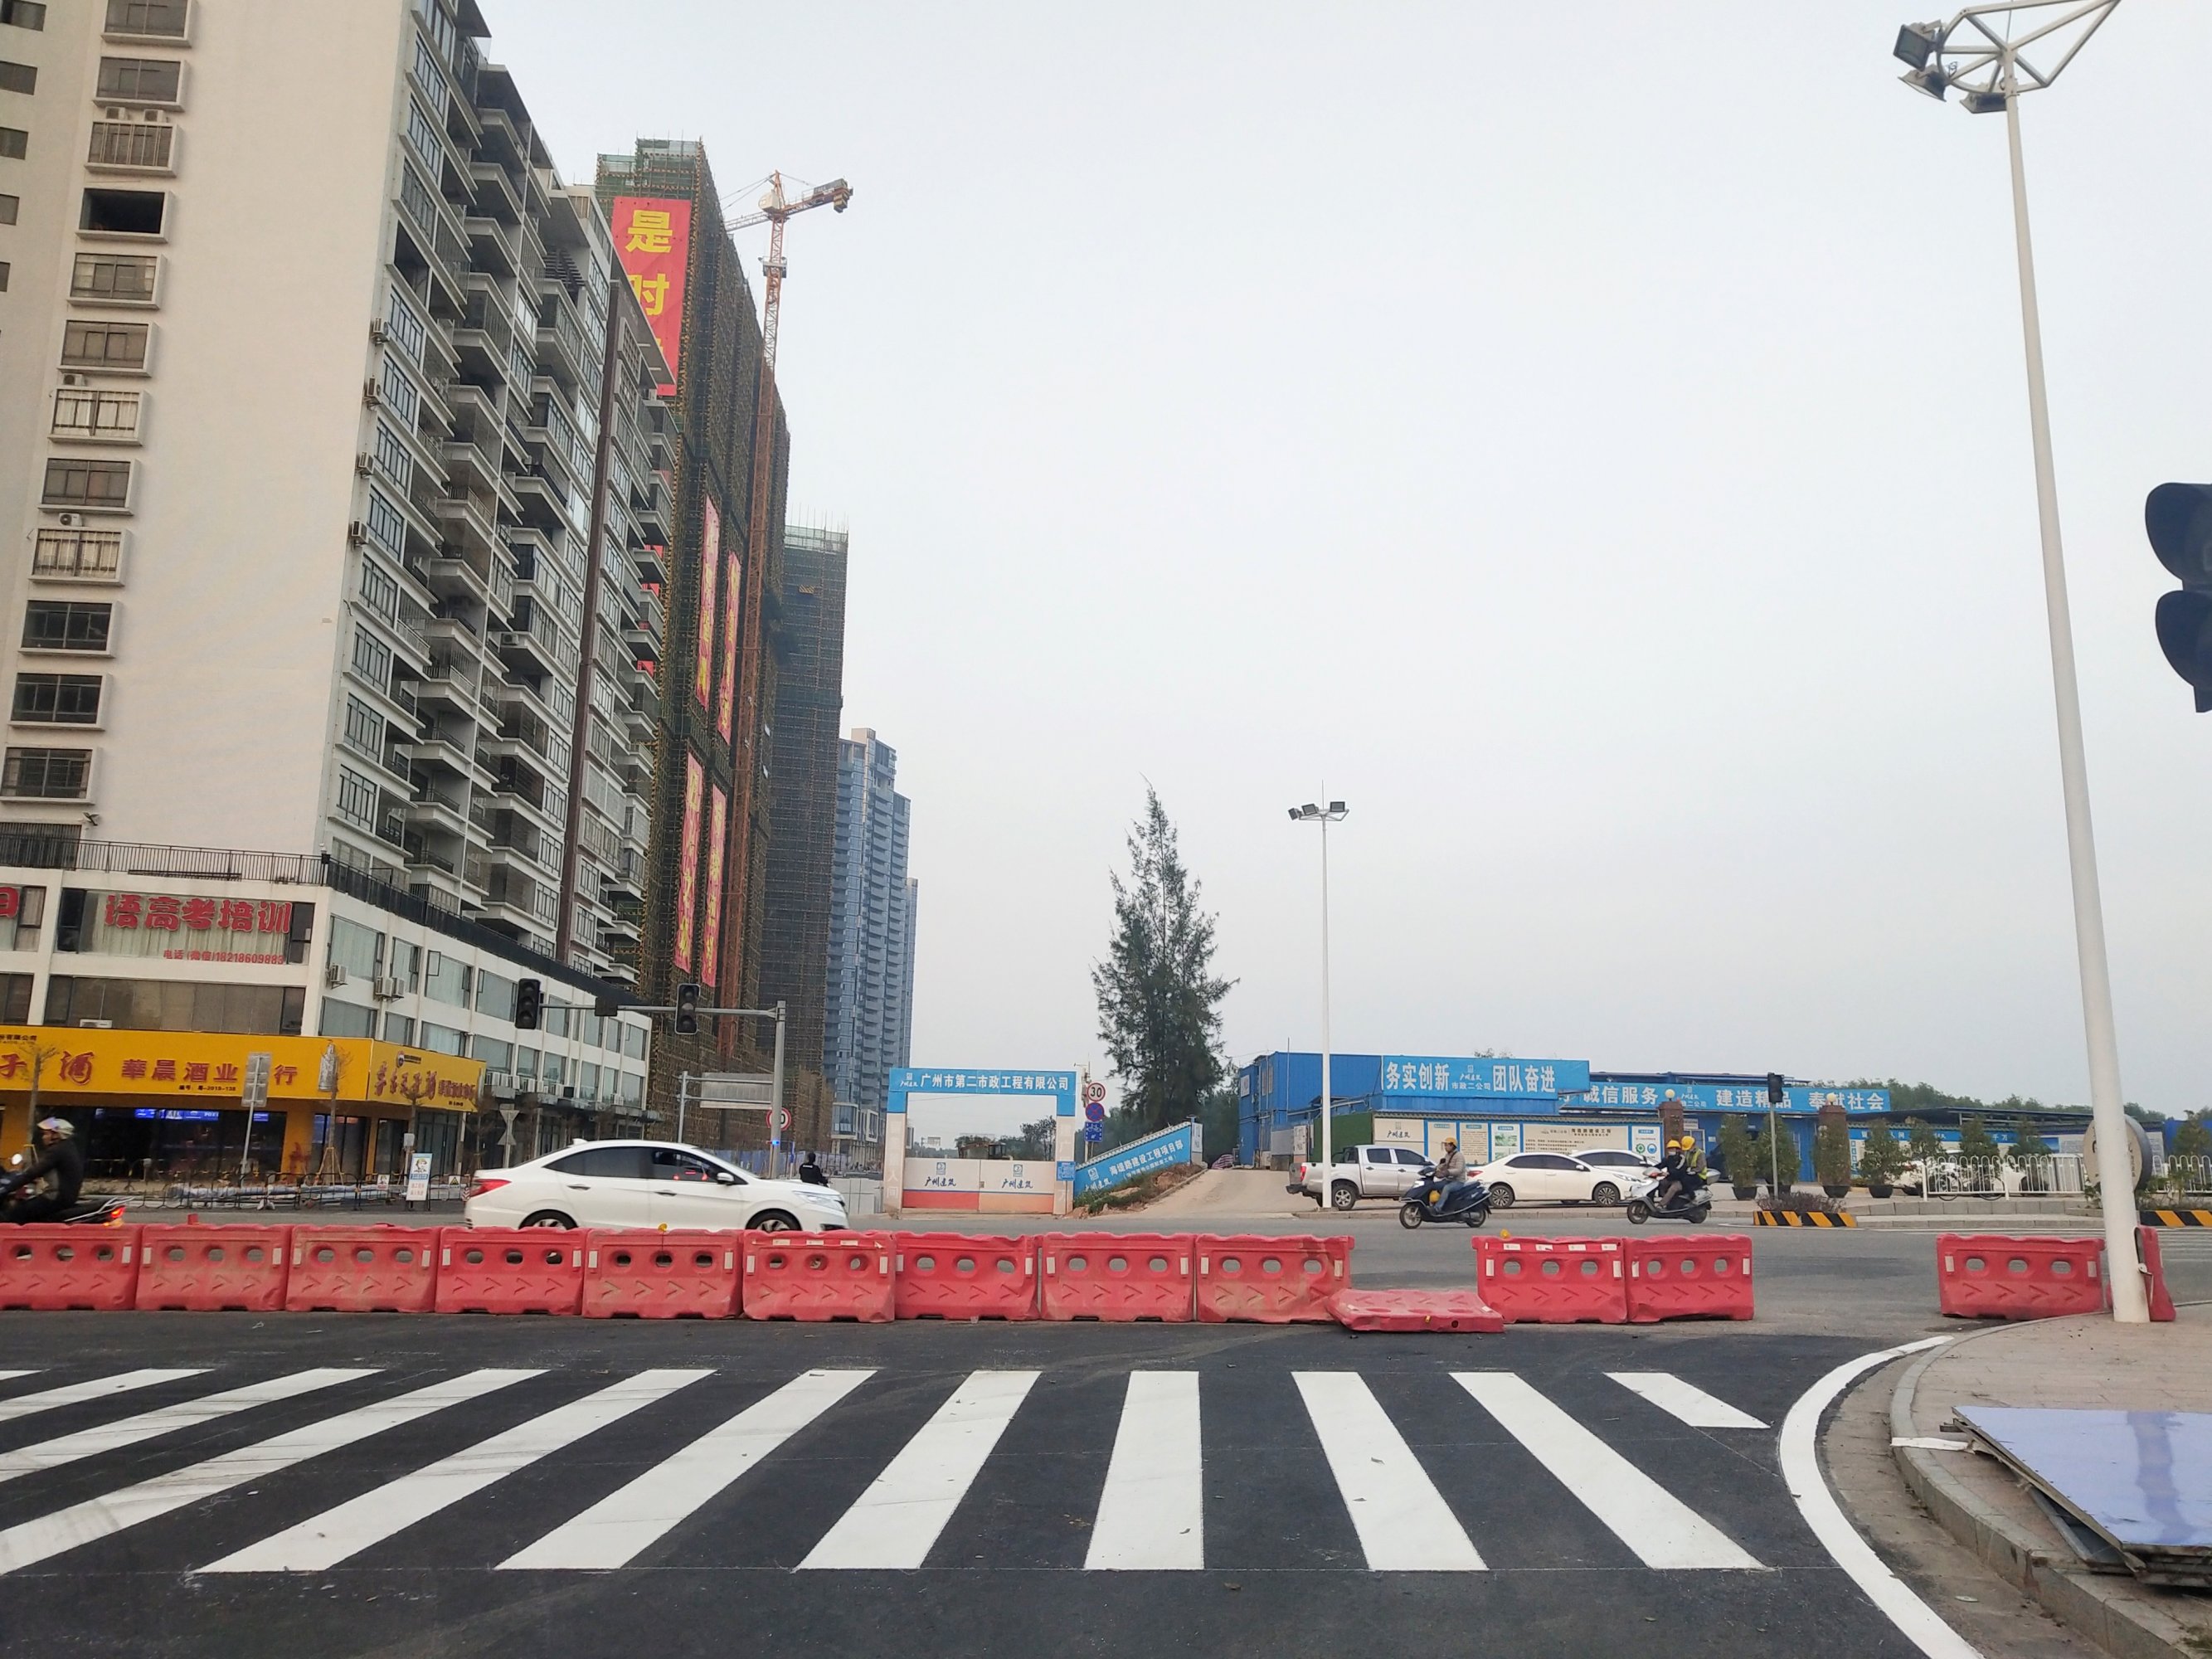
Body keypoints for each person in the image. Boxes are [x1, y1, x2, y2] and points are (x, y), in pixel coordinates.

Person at [0, 1117, 84, 1224]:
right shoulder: (68, 1147)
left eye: (46, 1134)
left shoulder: (56, 1151)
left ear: (56, 1135)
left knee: (16, 1213)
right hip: (67, 1197)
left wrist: (6, 1189)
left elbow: (32, 1173)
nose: (43, 1137)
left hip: (56, 1198)